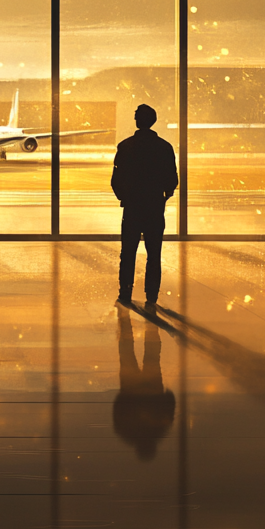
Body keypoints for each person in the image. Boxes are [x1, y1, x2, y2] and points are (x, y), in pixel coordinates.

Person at [111, 103, 178, 309]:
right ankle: (151, 295)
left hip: (132, 208)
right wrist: (163, 197)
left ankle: (125, 291)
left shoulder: (125, 146)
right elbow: (172, 179)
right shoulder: (164, 147)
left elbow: (116, 179)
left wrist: (125, 197)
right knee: (154, 254)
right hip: (154, 207)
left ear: (137, 120)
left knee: (128, 252)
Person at [112, 308, 175, 461]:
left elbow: (168, 409)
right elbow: (118, 413)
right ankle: (125, 320)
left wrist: (167, 395)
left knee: (151, 356)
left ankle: (147, 324)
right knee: (127, 353)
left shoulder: (157, 431)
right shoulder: (129, 433)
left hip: (149, 389)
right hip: (131, 389)